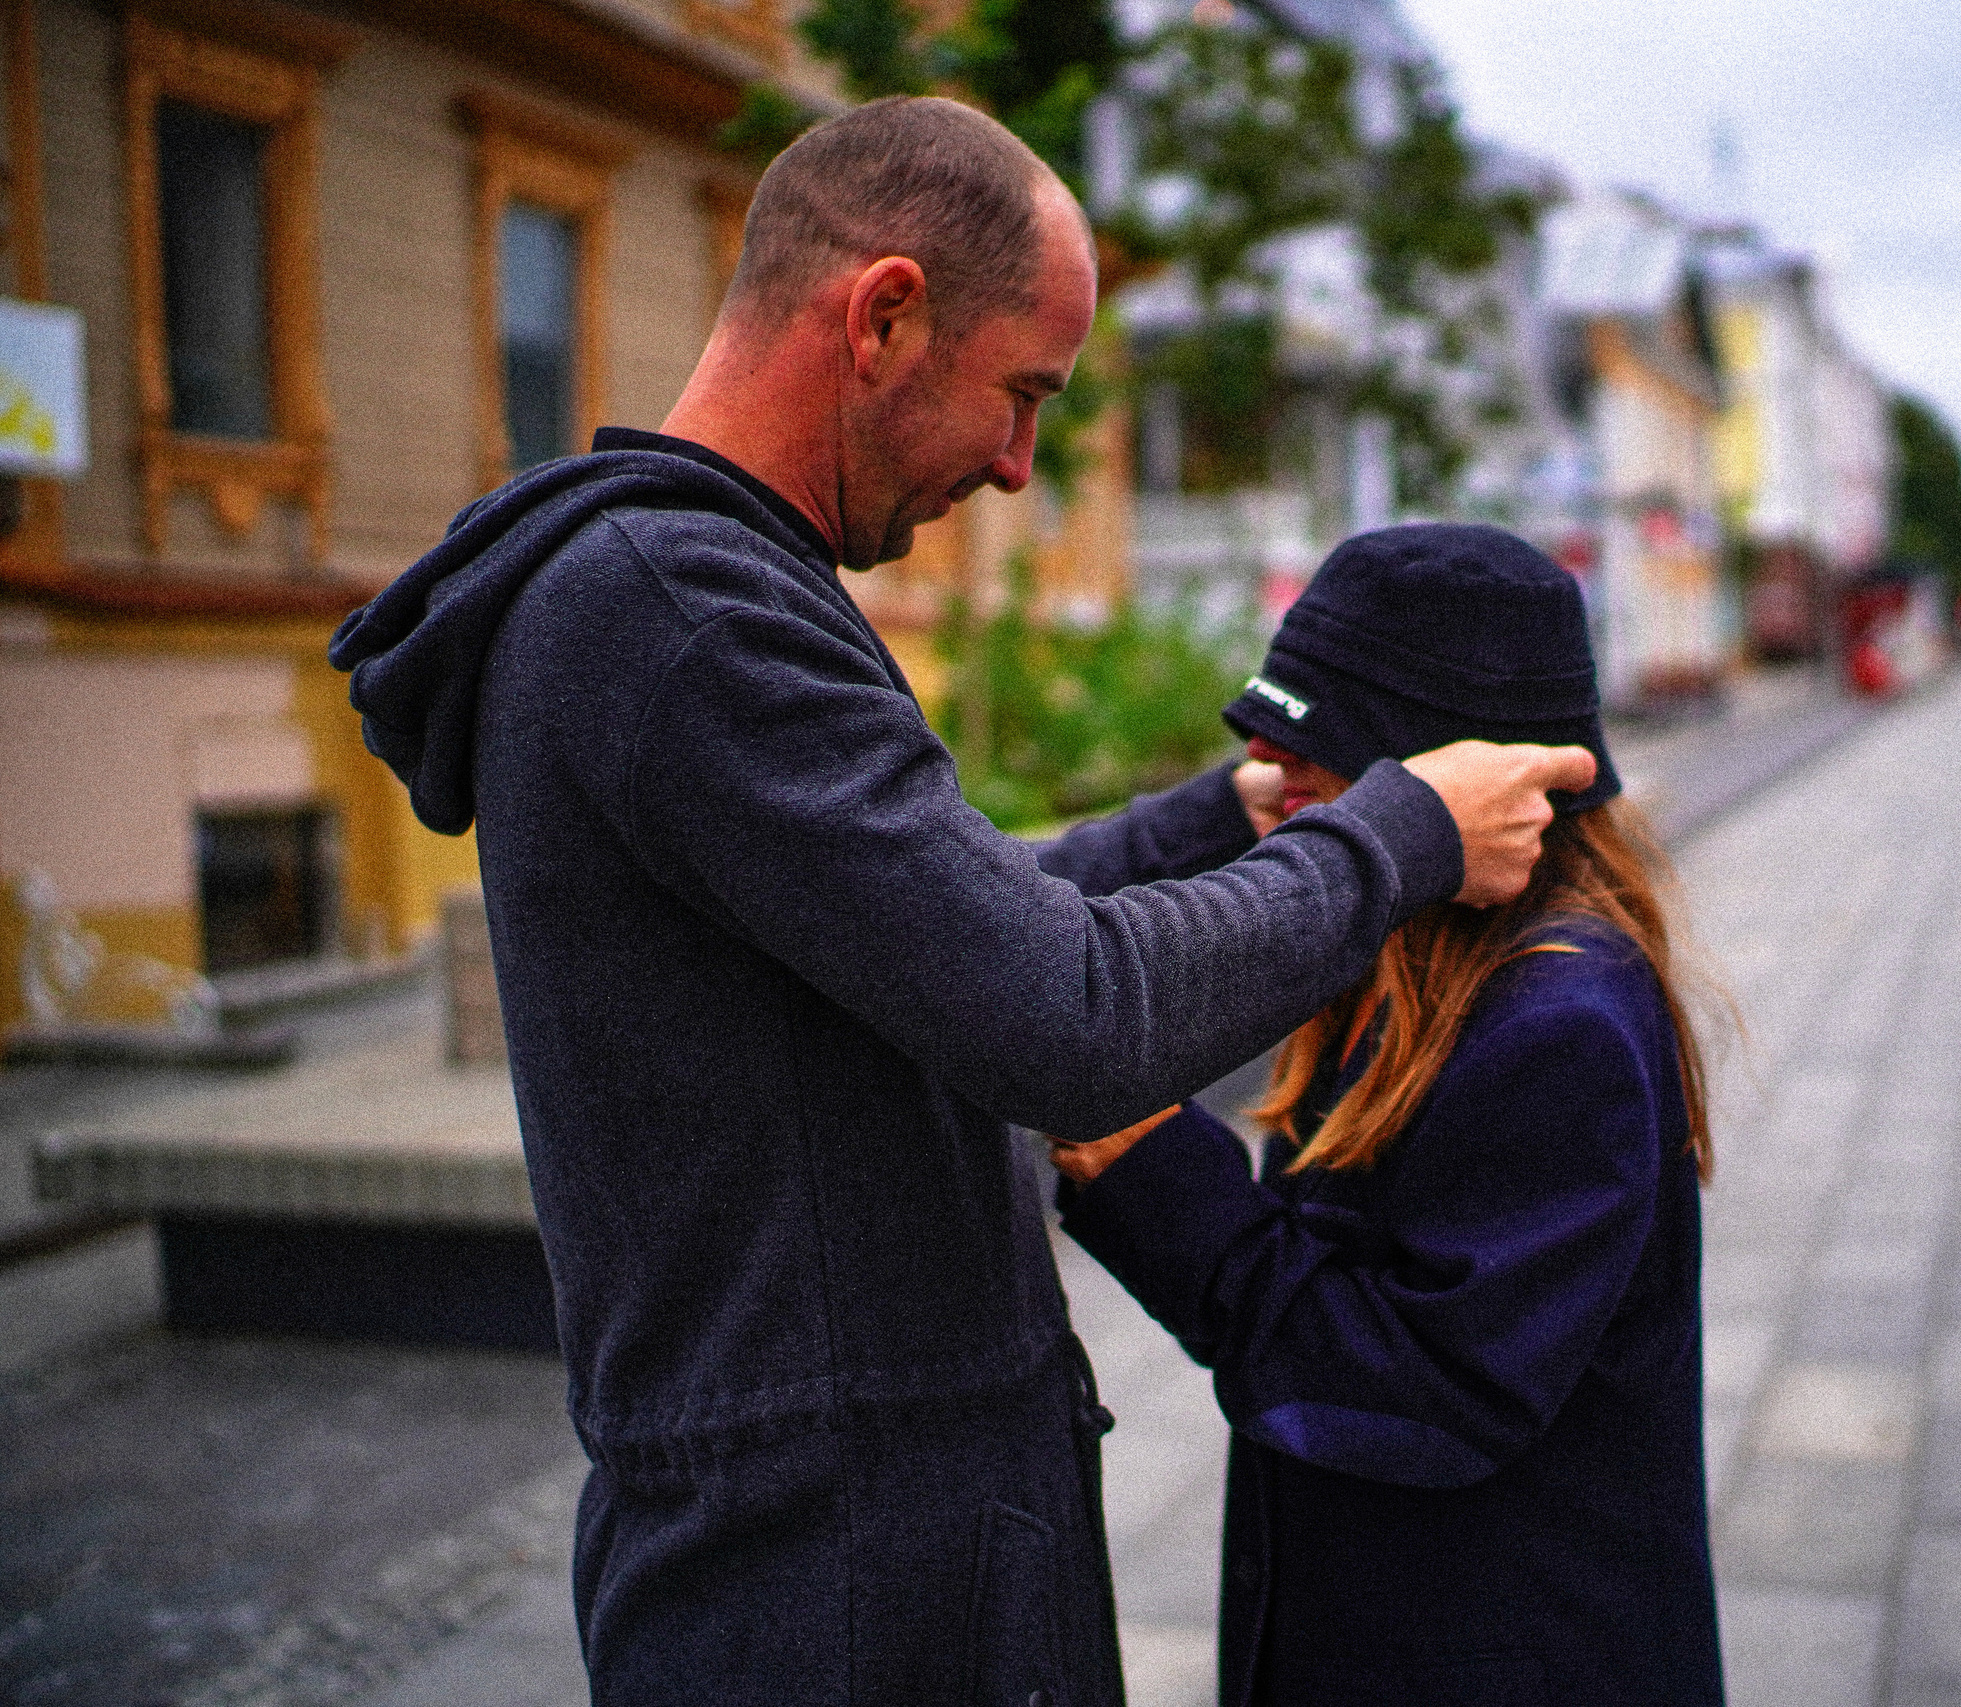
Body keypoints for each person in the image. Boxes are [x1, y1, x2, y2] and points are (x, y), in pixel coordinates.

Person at [328, 100, 1590, 1706]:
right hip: (845, 1591)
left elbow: (933, 932)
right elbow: (1060, 1015)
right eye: (1023, 395)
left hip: (859, 1546)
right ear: (885, 314)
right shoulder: (688, 615)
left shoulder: (699, 595)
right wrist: (1397, 835)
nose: (1015, 463)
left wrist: (1214, 821)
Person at [1052, 524, 1728, 1707]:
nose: (1262, 758)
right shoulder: (1418, 960)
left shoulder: (1558, 1019)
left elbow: (1423, 1389)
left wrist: (1157, 1177)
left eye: (1315, 735)